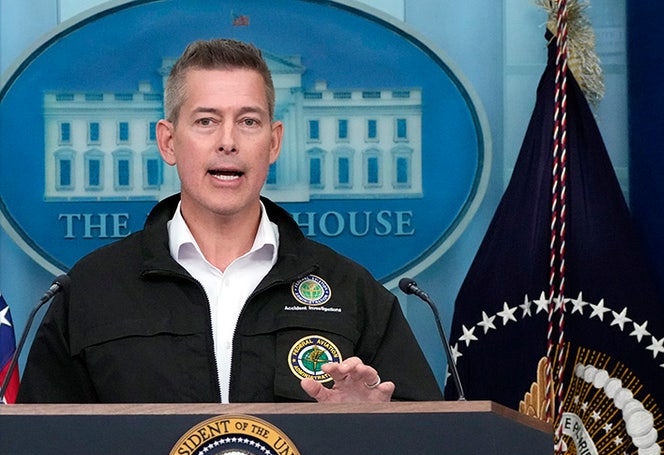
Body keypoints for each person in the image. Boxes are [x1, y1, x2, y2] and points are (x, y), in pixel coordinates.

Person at [17, 38, 440, 404]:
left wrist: (371, 427)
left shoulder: (352, 291)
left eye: (248, 121)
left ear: (273, 142)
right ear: (168, 141)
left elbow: (428, 446)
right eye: (206, 121)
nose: (228, 142)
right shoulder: (92, 289)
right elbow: (42, 450)